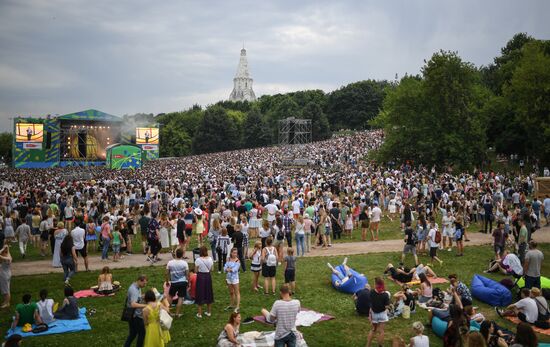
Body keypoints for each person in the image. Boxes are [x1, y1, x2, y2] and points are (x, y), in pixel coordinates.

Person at [124, 275, 148, 347]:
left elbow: (137, 297)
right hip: (135, 316)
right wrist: (146, 306)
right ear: (140, 281)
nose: (145, 285)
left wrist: (144, 296)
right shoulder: (134, 290)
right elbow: (133, 304)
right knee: (142, 333)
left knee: (133, 333)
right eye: (144, 283)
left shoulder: (137, 287)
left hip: (131, 314)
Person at [367, 277, 390, 347]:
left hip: (374, 314)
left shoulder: (371, 292)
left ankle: (368, 345)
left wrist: (370, 313)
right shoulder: (386, 295)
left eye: (374, 283)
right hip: (382, 314)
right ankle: (380, 345)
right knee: (381, 331)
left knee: (373, 330)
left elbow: (370, 303)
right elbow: (387, 307)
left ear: (376, 284)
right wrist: (388, 308)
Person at [165, 248, 188, 318]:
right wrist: (188, 282)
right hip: (183, 282)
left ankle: (168, 312)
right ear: (182, 255)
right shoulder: (185, 263)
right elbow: (187, 274)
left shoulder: (170, 263)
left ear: (175, 254)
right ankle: (177, 314)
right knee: (181, 298)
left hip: (174, 282)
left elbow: (166, 273)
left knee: (170, 296)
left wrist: (167, 281)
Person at [195, 246, 214, 318]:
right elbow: (212, 269)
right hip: (208, 276)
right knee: (208, 292)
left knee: (200, 293)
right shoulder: (210, 259)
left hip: (200, 277)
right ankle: (209, 312)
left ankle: (199, 313)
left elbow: (196, 270)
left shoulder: (198, 260)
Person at [224, 248, 241, 313]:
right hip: (228, 278)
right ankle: (231, 304)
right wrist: (227, 269)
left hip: (235, 279)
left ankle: (237, 306)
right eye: (234, 253)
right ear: (231, 253)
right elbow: (225, 267)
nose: (235, 254)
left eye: (236, 253)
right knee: (231, 292)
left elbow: (235, 269)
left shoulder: (237, 261)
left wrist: (229, 269)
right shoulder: (228, 259)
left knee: (237, 292)